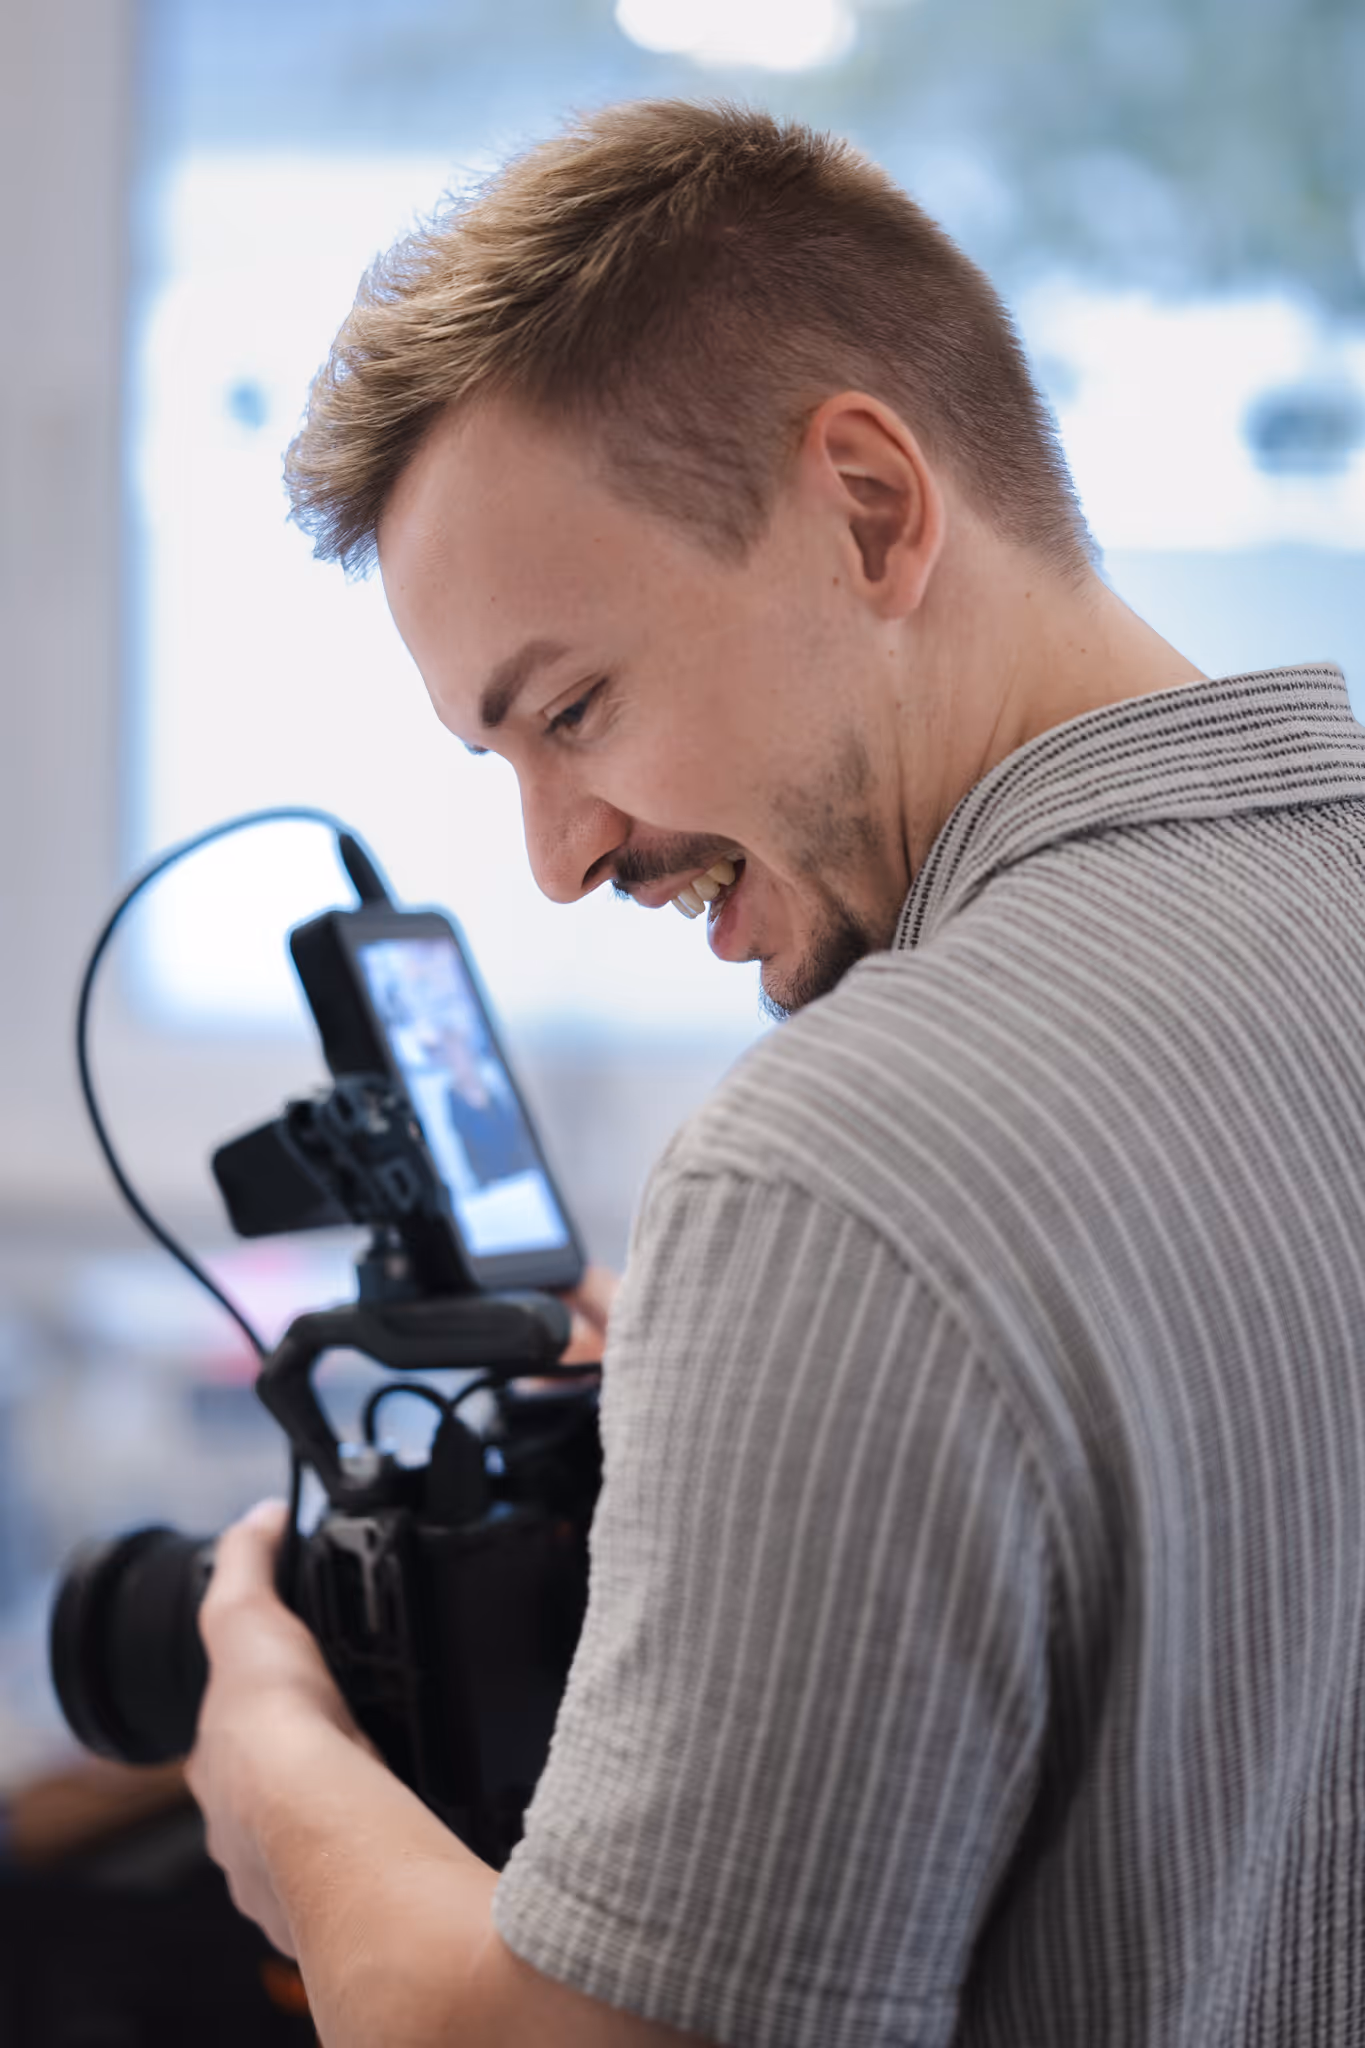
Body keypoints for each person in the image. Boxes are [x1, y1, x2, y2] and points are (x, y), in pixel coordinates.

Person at [185, 100, 1365, 2047]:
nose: (559, 853)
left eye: (574, 709)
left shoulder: (830, 1179)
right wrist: (806, 1395)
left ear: (873, 509)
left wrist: (278, 1770)